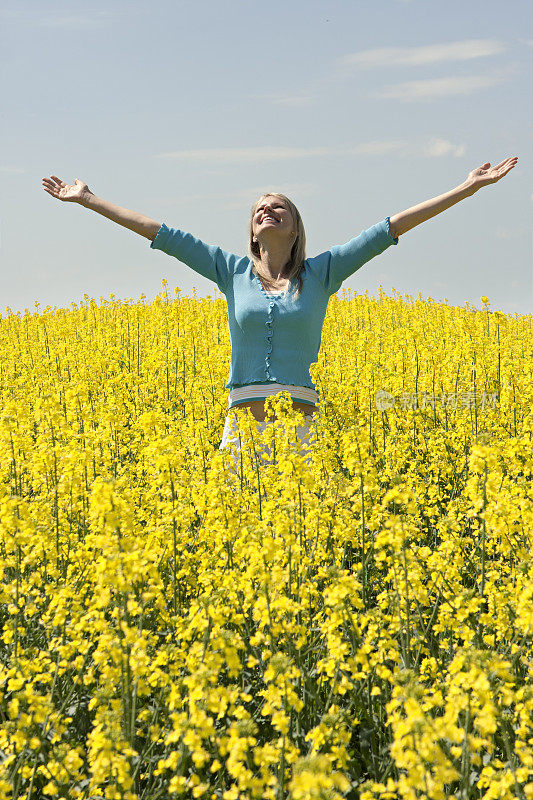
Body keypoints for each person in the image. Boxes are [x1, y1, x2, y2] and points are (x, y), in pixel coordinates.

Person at [42, 157, 518, 466]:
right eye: (260, 209)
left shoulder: (324, 273)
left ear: (295, 229)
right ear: (252, 232)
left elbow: (388, 229)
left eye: (279, 207)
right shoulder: (229, 272)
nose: (267, 210)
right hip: (241, 431)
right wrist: (88, 200)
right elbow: (161, 233)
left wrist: (466, 189)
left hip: (301, 432)